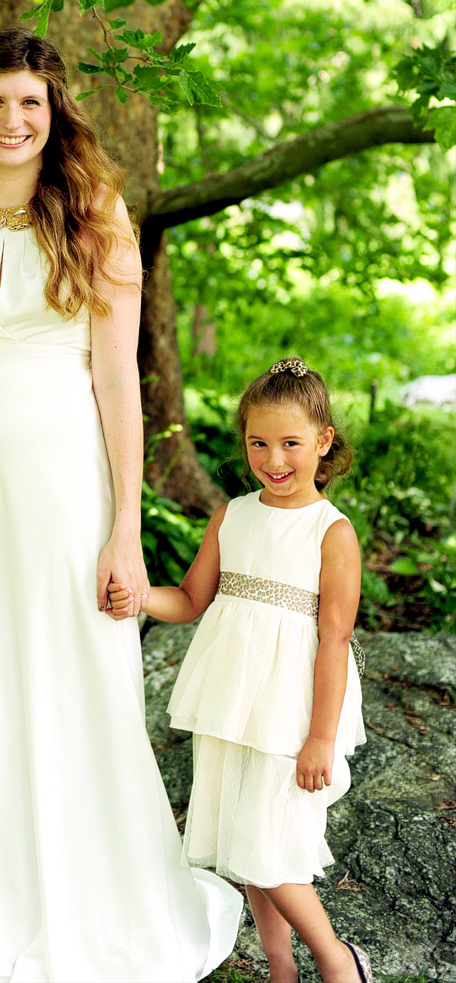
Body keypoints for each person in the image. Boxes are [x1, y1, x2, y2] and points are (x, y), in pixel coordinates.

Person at [0, 27, 242, 983]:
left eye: (30, 100)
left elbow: (120, 386)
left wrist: (125, 527)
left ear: (54, 112)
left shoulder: (96, 215)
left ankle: (93, 905)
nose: (12, 118)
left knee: (71, 683)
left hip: (65, 495)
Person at [110, 358, 372, 983]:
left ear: (323, 442)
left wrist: (320, 738)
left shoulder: (331, 534)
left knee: (272, 846)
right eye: (258, 442)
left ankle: (340, 963)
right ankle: (281, 968)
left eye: (291, 443)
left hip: (292, 712)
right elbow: (193, 599)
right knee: (239, 842)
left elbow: (334, 641)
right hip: (232, 701)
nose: (273, 458)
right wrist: (142, 597)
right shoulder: (233, 515)